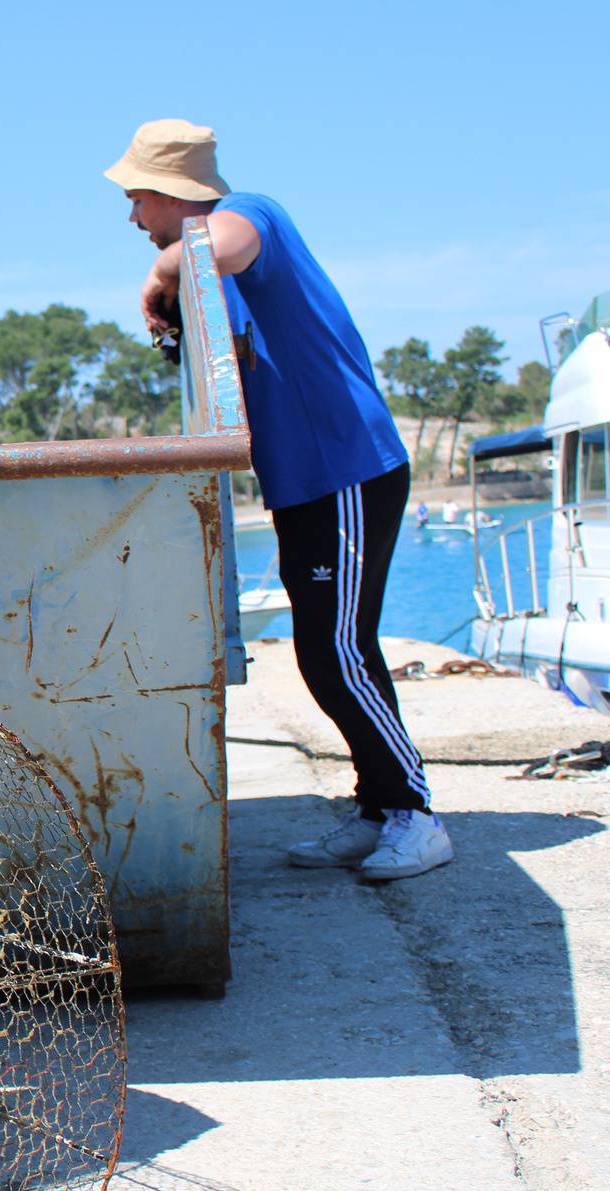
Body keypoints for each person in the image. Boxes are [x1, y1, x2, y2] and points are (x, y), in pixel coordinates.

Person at [106, 118, 451, 881]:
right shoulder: (218, 284)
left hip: (348, 469)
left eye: (137, 200)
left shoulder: (252, 215)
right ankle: (377, 807)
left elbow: (216, 245)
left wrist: (160, 273)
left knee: (340, 649)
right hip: (301, 486)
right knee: (321, 653)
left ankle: (415, 816)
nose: (132, 219)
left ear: (171, 195)